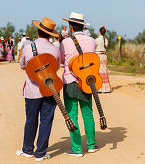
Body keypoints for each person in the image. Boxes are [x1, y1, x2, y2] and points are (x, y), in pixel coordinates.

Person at [16, 17, 61, 162]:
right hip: (50, 89)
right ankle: (41, 153)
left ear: (37, 31)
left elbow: (22, 65)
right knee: (46, 120)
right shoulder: (55, 50)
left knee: (31, 120)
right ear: (51, 34)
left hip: (32, 91)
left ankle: (27, 149)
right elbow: (56, 68)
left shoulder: (28, 48)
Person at [60, 12, 98, 157]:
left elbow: (62, 60)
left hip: (70, 82)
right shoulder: (91, 41)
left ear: (70, 27)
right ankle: (92, 144)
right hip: (87, 81)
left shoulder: (65, 42)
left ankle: (76, 149)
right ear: (83, 26)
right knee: (88, 114)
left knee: (72, 115)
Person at [95, 25, 111, 93]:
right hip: (104, 56)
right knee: (104, 71)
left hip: (98, 56)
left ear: (99, 32)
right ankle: (106, 88)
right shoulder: (106, 40)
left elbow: (94, 46)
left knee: (98, 71)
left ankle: (99, 88)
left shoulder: (97, 39)